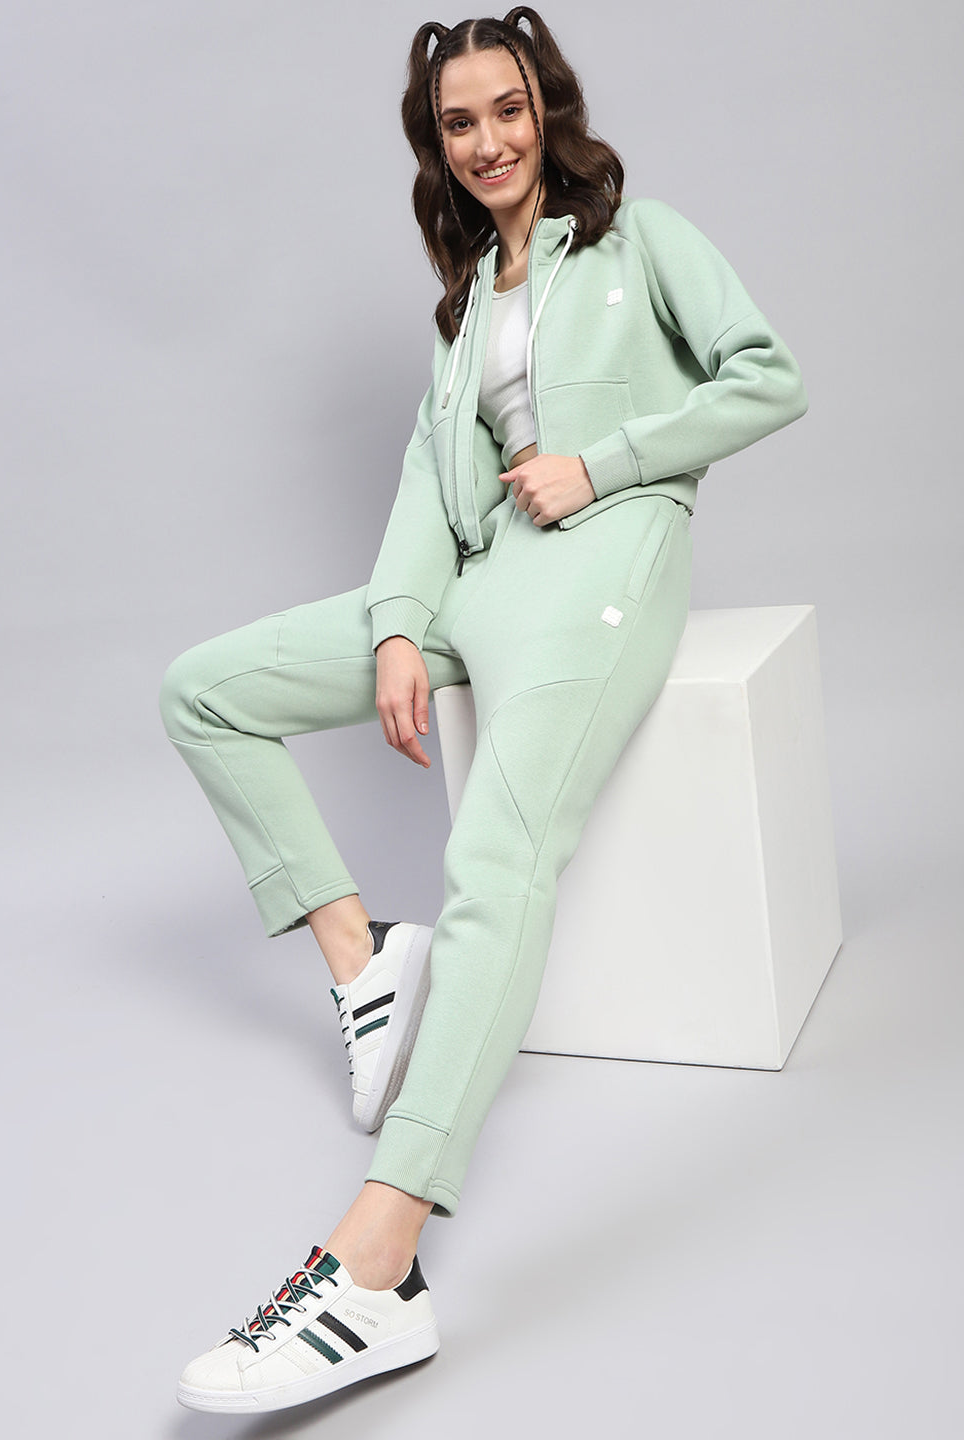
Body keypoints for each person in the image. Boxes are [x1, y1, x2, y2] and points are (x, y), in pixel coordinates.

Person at [159, 7, 808, 1415]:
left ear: (546, 109)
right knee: (204, 690)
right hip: (478, 582)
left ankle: (377, 1266)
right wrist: (401, 624)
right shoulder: (462, 311)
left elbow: (769, 376)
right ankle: (363, 964)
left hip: (603, 567)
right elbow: (421, 488)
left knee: (499, 856)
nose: (490, 141)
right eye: (460, 122)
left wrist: (606, 461)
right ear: (438, 145)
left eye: (508, 109)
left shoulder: (643, 241)